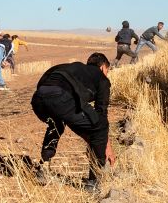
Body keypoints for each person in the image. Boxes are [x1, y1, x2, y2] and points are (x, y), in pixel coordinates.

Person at [31, 53, 116, 192]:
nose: (107, 74)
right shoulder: (101, 78)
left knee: (56, 123)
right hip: (61, 98)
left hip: (38, 101)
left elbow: (45, 84)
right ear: (102, 67)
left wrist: (88, 137)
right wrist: (106, 146)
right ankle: (93, 181)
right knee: (100, 127)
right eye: (108, 70)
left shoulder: (70, 68)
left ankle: (44, 167)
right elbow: (101, 114)